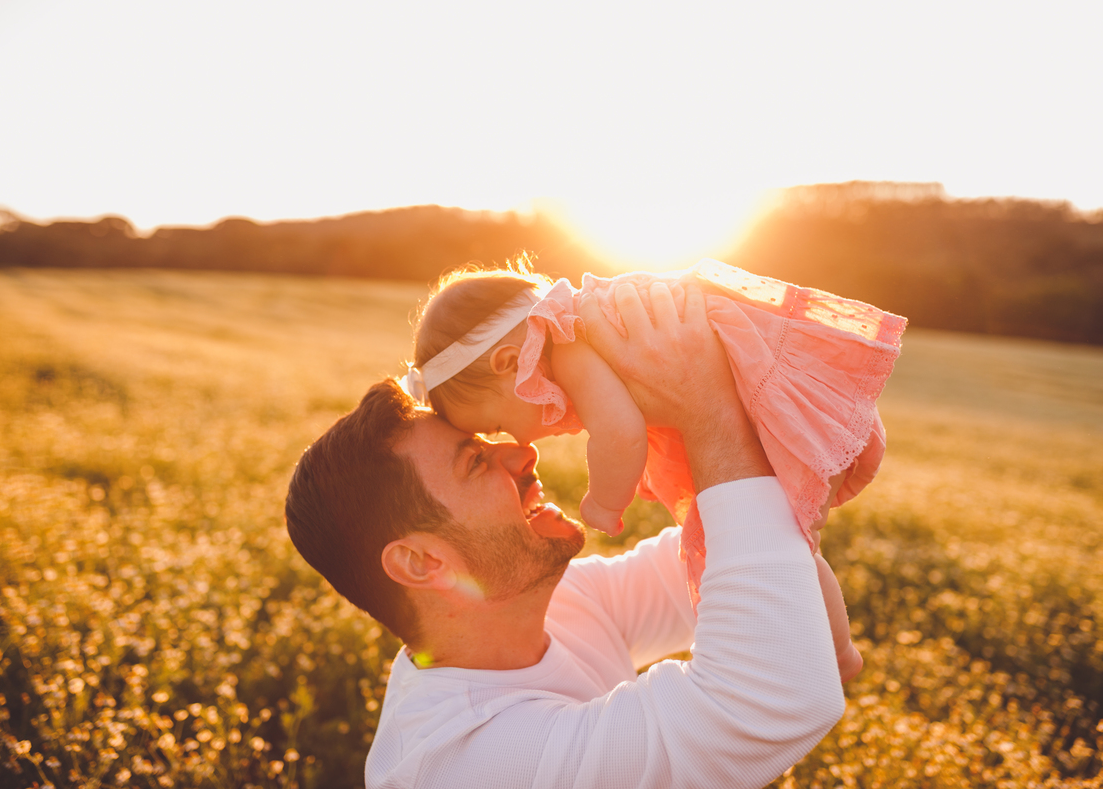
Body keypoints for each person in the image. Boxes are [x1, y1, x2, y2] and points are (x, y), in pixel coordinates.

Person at [285, 282, 846, 788]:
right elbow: (772, 700)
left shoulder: (558, 602)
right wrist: (705, 402)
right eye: (475, 462)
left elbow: (741, 559)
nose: (521, 452)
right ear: (422, 562)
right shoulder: (463, 764)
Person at [405, 259, 906, 682]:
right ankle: (825, 652)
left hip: (769, 400)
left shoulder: (571, 346)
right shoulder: (576, 331)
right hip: (765, 397)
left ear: (509, 362)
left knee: (778, 544)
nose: (518, 443)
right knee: (778, 543)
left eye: (497, 425)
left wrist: (604, 501)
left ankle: (835, 654)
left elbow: (619, 434)